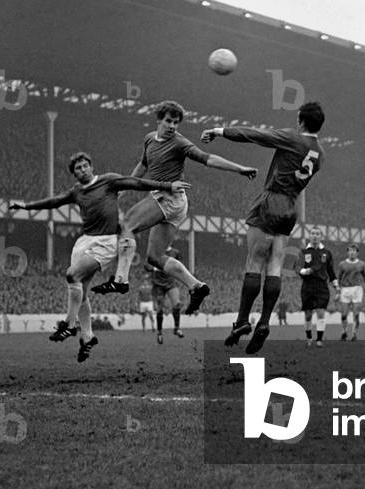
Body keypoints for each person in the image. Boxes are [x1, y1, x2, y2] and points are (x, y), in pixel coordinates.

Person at [10, 152, 189, 363]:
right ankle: (88, 337)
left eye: (85, 165)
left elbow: (136, 182)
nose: (83, 169)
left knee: (72, 275)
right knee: (82, 293)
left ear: (91, 167)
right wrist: (27, 206)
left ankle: (68, 325)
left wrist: (167, 186)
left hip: (105, 242)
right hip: (84, 241)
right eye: (78, 168)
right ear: (74, 174)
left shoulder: (108, 180)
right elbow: (55, 201)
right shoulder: (77, 191)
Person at [92, 100, 257, 317]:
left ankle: (120, 280)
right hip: (173, 201)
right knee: (155, 257)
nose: (172, 126)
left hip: (170, 197)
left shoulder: (179, 143)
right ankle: (197, 287)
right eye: (169, 121)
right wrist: (126, 186)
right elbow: (143, 165)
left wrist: (239, 169)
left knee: (126, 225)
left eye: (176, 123)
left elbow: (208, 159)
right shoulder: (149, 139)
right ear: (159, 120)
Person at [200, 100, 326, 354]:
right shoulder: (321, 154)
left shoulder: (293, 138)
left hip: (271, 201)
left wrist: (219, 131)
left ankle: (243, 320)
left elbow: (255, 135)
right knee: (275, 265)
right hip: (290, 207)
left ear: (301, 120)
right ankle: (265, 322)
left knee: (255, 260)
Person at [296, 228, 338, 348]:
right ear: (310, 236)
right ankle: (309, 337)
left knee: (321, 312)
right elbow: (297, 267)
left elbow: (330, 270)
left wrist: (336, 285)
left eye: (317, 234)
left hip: (321, 286)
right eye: (313, 233)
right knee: (308, 314)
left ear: (321, 236)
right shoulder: (303, 252)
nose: (315, 236)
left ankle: (319, 339)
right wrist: (303, 271)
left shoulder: (326, 253)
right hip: (308, 286)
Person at [337, 244, 365, 341]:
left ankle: (354, 334)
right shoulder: (342, 264)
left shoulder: (361, 264)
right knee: (344, 314)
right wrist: (337, 291)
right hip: (345, 290)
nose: (352, 252)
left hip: (357, 289)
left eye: (354, 251)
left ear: (357, 253)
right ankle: (344, 331)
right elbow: (339, 278)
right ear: (347, 252)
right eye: (350, 251)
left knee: (356, 313)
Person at [150, 246, 185, 344]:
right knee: (160, 309)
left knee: (177, 304)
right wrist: (153, 267)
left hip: (170, 283)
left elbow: (180, 266)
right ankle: (159, 333)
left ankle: (177, 328)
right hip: (158, 284)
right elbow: (147, 266)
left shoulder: (175, 252)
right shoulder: (154, 251)